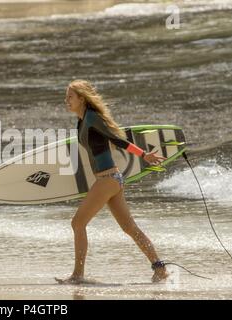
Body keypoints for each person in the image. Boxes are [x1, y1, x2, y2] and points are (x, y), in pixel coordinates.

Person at [56, 79, 169, 284]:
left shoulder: (91, 117)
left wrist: (144, 155)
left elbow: (117, 140)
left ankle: (77, 275)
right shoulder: (81, 120)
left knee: (77, 223)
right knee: (129, 227)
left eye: (70, 97)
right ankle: (160, 268)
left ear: (81, 98)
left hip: (108, 179)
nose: (66, 101)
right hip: (110, 179)